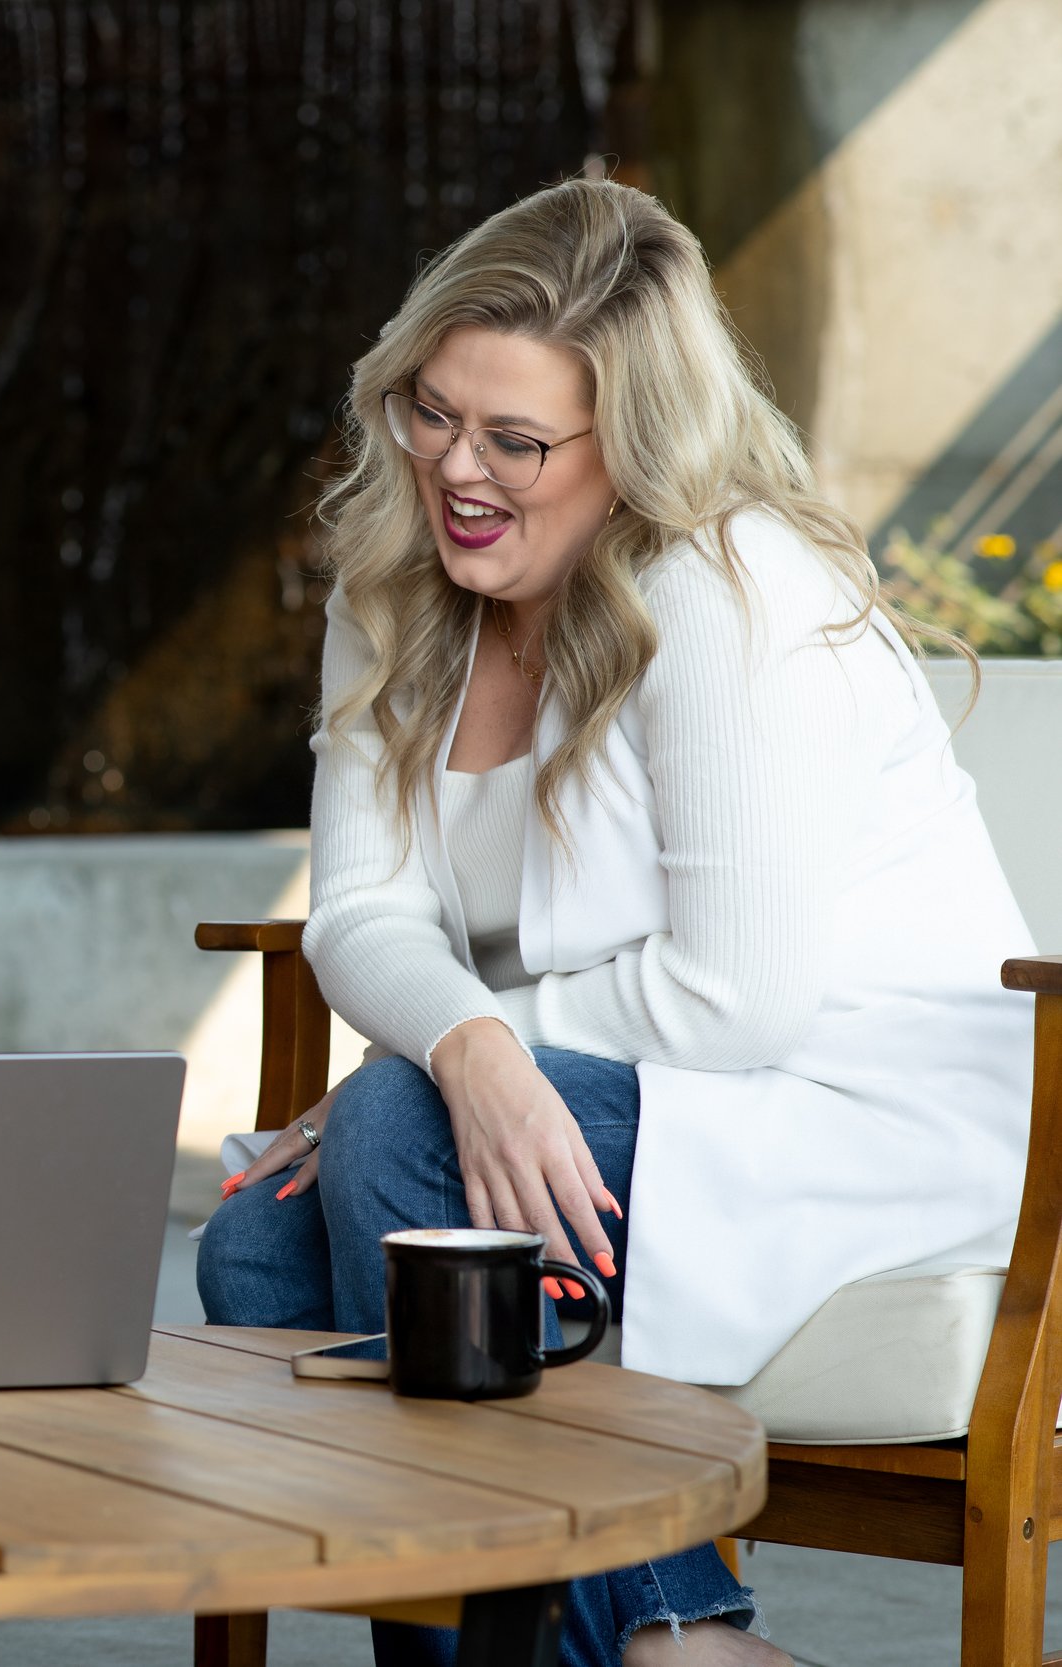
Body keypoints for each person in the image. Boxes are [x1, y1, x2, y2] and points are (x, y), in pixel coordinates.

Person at [194, 179, 1033, 1667]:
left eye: (517, 442)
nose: (459, 469)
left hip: (846, 1106)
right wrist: (465, 1046)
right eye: (432, 413)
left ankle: (672, 1637)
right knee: (256, 1260)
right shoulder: (397, 588)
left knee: (399, 1147)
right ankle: (653, 1635)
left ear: (630, 447)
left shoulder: (724, 596)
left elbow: (743, 999)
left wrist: (461, 1062)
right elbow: (364, 911)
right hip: (613, 1089)